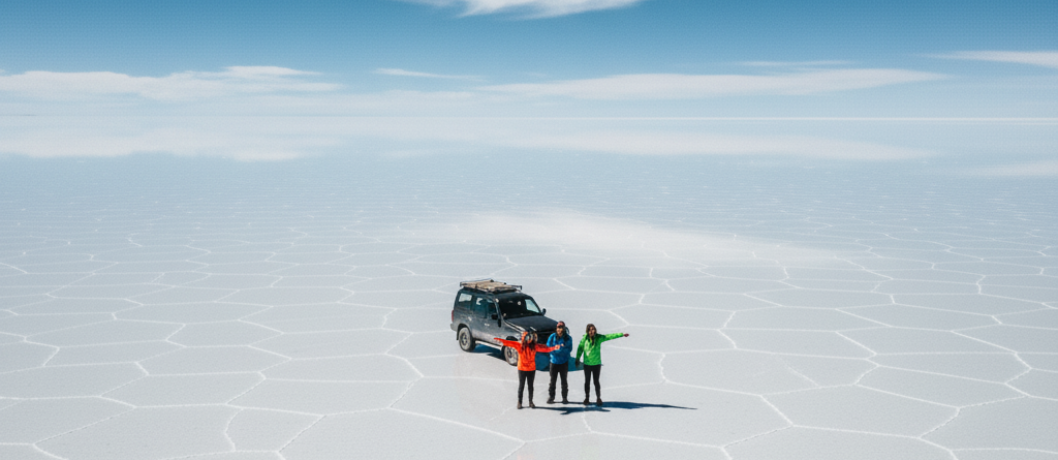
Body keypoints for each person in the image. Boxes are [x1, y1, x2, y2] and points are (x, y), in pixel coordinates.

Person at [495, 331, 559, 409]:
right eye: (527, 338)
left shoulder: (534, 346)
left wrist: (554, 348)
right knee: (521, 386)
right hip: (522, 369)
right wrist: (500, 340)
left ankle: (530, 402)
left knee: (530, 386)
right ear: (524, 338)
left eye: (530, 338)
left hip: (531, 369)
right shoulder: (519, 345)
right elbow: (509, 343)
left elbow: (545, 349)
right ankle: (520, 402)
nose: (529, 339)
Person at [574, 323, 629, 407]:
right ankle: (587, 398)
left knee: (596, 382)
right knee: (587, 382)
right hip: (587, 364)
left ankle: (598, 398)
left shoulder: (599, 338)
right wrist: (577, 359)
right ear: (587, 331)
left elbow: (609, 336)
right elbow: (580, 349)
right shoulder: (584, 339)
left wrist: (621, 334)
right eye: (590, 330)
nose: (592, 331)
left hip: (596, 364)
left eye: (593, 329)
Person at [545, 321, 574, 404]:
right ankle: (551, 397)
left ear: (564, 329)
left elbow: (569, 349)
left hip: (563, 363)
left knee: (564, 381)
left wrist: (559, 350)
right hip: (554, 362)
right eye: (558, 328)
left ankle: (564, 397)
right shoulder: (552, 337)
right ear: (556, 329)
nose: (560, 330)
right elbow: (548, 348)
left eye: (561, 328)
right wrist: (557, 350)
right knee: (552, 381)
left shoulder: (568, 338)